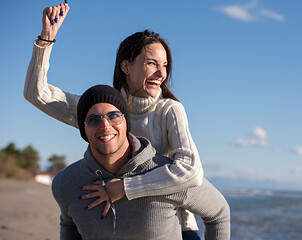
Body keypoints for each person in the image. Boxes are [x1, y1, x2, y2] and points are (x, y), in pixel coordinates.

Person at [25, 2, 203, 238]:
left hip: (171, 222)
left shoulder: (169, 110)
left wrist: (124, 187)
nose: (161, 74)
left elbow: (191, 171)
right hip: (113, 219)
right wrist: (46, 40)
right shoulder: (101, 111)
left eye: (164, 66)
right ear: (126, 66)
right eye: (151, 63)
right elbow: (36, 94)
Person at [51, 84, 230, 240]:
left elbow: (218, 213)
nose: (105, 126)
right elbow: (69, 225)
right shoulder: (65, 182)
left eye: (114, 116)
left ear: (126, 122)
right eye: (93, 120)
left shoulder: (167, 175)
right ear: (84, 129)